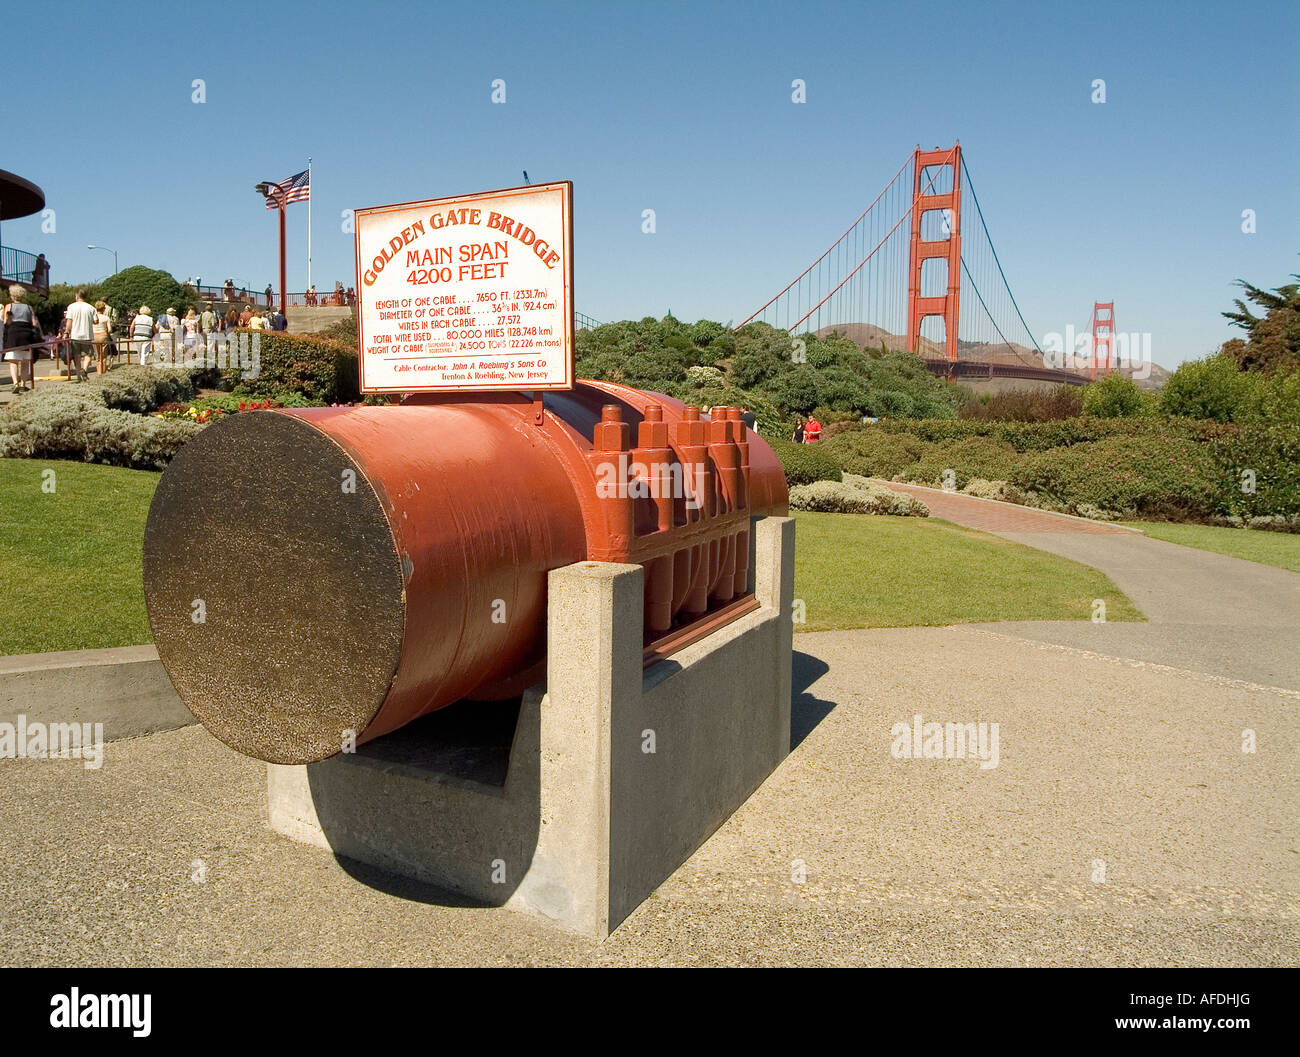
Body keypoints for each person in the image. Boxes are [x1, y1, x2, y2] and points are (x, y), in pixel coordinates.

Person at [3, 285, 41, 392]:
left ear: (12, 295)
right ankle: (23, 383)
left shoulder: (9, 306)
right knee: (25, 361)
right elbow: (34, 323)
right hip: (26, 334)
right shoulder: (29, 307)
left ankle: (15, 383)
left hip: (14, 333)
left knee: (13, 361)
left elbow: (7, 321)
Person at [61, 290, 95, 382]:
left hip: (75, 335)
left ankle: (78, 374)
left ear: (77, 297)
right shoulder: (91, 308)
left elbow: (69, 322)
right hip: (87, 335)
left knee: (77, 355)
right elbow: (96, 321)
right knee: (88, 355)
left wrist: (66, 332)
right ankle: (84, 370)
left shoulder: (71, 307)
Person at [92, 300, 112, 376]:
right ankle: (102, 372)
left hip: (94, 336)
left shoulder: (93, 318)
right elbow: (109, 330)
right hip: (103, 336)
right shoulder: (106, 318)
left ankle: (98, 372)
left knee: (97, 356)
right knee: (103, 356)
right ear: (103, 309)